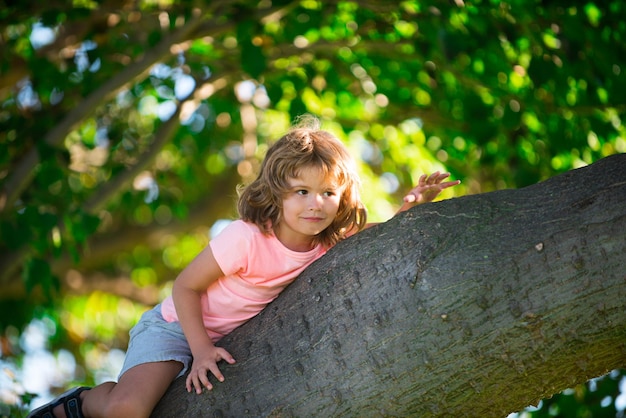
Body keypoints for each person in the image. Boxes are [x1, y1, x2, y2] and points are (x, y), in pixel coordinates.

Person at [28, 115, 460, 418]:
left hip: (232, 337)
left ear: (342, 198)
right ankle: (81, 403)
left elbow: (376, 244)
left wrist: (412, 205)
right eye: (301, 192)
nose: (315, 204)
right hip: (177, 327)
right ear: (277, 194)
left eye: (328, 193)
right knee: (128, 410)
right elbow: (185, 287)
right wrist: (199, 351)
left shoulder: (326, 244)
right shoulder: (247, 237)